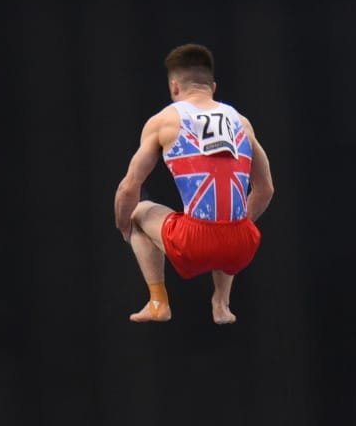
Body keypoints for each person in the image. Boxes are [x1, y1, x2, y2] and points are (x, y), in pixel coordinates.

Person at [112, 43, 274, 325]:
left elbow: (128, 187)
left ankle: (157, 302)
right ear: (213, 86)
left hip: (193, 242)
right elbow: (265, 189)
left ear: (175, 87)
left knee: (137, 212)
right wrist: (236, 228)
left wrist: (123, 225)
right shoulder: (242, 122)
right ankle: (221, 304)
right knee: (229, 216)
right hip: (243, 244)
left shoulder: (164, 121)